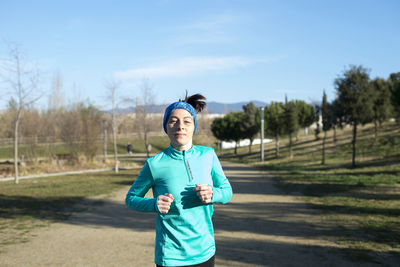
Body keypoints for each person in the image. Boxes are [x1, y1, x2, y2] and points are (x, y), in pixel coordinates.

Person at [125, 93, 233, 267]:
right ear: (166, 127)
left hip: (204, 252)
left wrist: (214, 194)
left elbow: (227, 192)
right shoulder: (154, 164)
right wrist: (154, 204)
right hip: (170, 257)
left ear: (193, 127)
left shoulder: (208, 156)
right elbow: (130, 199)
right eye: (173, 121)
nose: (180, 126)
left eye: (187, 121)